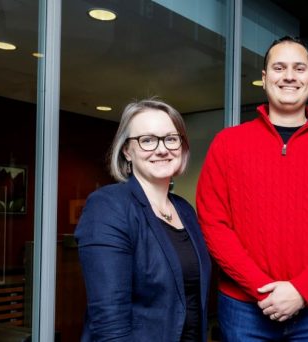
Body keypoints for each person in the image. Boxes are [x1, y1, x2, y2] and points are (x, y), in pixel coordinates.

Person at [197, 36, 308, 341]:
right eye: (279, 67)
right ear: (264, 79)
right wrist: (261, 288)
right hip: (243, 308)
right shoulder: (227, 143)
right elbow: (213, 223)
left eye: (299, 68)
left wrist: (302, 289)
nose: (289, 76)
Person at [75, 99, 211, 341]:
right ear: (127, 150)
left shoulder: (185, 211)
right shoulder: (107, 206)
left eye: (171, 138)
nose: (162, 149)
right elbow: (109, 323)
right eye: (147, 140)